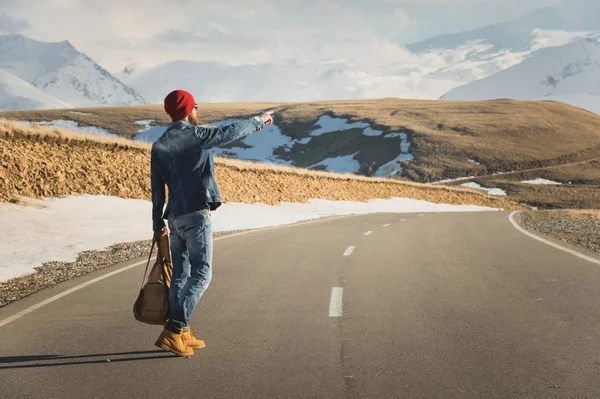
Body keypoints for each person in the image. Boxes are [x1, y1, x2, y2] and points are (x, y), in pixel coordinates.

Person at [151, 89, 273, 357]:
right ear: (188, 109)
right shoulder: (196, 136)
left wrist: (157, 221)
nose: (197, 110)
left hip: (174, 217)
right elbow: (230, 132)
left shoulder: (159, 144)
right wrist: (259, 121)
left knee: (181, 276)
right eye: (195, 106)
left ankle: (182, 334)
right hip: (196, 214)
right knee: (202, 274)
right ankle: (175, 329)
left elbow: (156, 187)